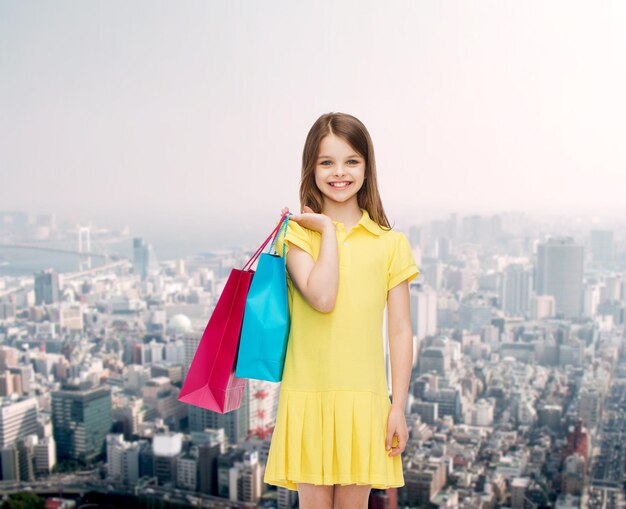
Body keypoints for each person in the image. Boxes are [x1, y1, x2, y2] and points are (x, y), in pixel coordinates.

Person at [263, 112, 419, 509]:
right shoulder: (296, 234)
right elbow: (322, 296)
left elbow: (400, 331)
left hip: (365, 401)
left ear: (367, 167)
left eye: (351, 161)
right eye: (326, 162)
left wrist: (397, 406)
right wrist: (327, 231)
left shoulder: (390, 243)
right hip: (308, 395)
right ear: (311, 168)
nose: (339, 173)